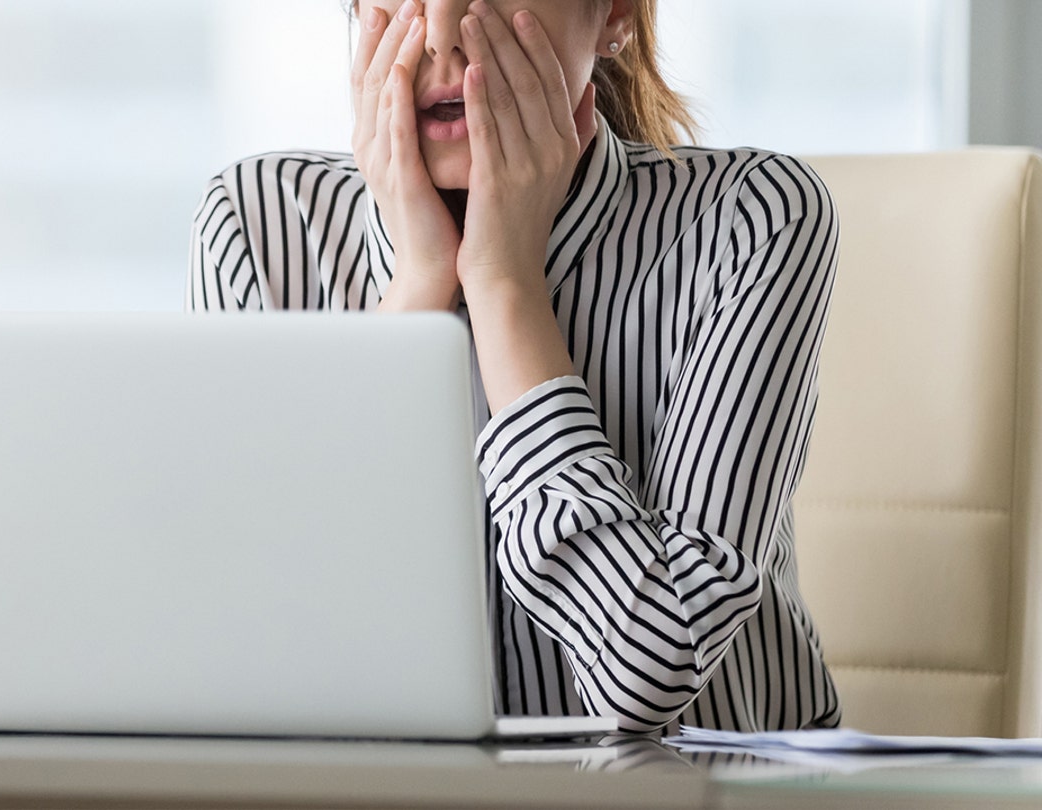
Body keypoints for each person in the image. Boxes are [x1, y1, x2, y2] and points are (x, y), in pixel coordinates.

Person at [187, 0, 840, 734]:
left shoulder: (754, 218)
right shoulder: (260, 230)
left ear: (616, 13)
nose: (439, 34)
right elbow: (256, 659)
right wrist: (417, 287)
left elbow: (647, 671)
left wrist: (503, 285)